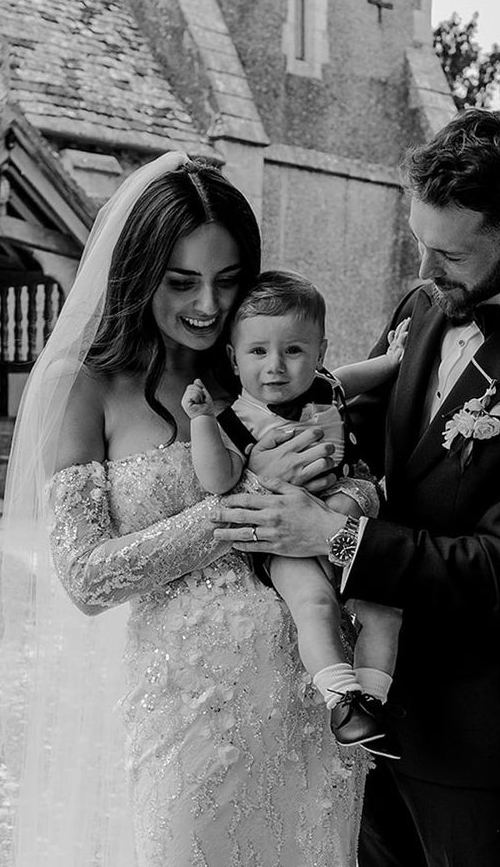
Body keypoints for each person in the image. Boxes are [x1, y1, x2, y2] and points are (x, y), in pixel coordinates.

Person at [213, 109, 500, 866]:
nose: (426, 266)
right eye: (420, 240)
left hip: (473, 730)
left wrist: (333, 537)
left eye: (448, 251)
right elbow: (362, 429)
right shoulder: (424, 306)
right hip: (366, 707)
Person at [0, 153, 366, 867]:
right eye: (182, 281)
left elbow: (341, 422)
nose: (209, 306)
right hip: (186, 709)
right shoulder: (86, 386)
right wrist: (238, 504)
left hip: (302, 693)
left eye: (229, 282)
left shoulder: (256, 366)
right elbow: (86, 578)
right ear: (139, 271)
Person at [181, 269, 407, 755]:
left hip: (345, 522)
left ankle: (374, 702)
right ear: (233, 357)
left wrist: (394, 360)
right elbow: (219, 480)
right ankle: (341, 701)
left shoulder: (327, 387)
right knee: (315, 606)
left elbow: (357, 376)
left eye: (294, 351)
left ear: (320, 352)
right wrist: (200, 421)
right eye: (258, 352)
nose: (276, 367)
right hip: (282, 537)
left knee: (384, 608)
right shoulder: (236, 420)